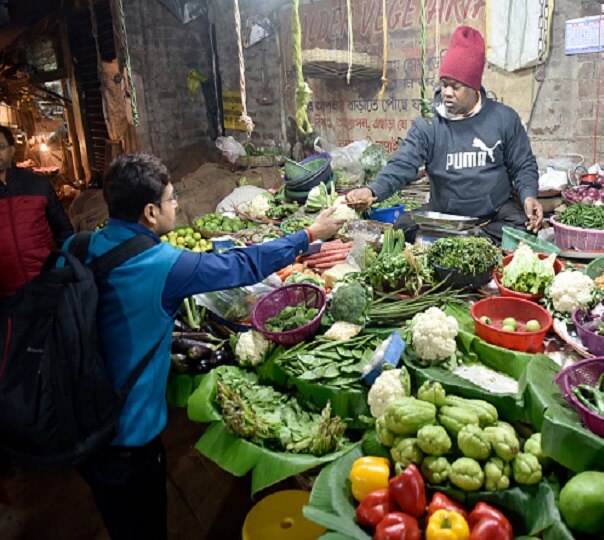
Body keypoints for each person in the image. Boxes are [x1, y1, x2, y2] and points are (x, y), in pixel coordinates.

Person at [69, 153, 344, 539]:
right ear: (150, 212)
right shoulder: (161, 263)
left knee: (117, 520)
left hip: (79, 420)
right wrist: (310, 234)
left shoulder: (79, 246)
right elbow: (241, 265)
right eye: (171, 198)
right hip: (128, 437)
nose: (176, 204)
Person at [345, 25, 543, 244]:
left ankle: (465, 240)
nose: (447, 92)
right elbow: (403, 164)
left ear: (474, 86)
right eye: (444, 84)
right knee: (402, 227)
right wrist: (372, 191)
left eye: (455, 86)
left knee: (526, 228)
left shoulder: (503, 118)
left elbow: (523, 164)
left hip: (492, 215)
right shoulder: (429, 122)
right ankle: (469, 241)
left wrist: (528, 195)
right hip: (444, 216)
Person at [0, 125, 74, 299]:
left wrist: (62, 269)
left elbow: (63, 231)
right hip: (5, 298)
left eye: (1, 147)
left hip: (45, 284)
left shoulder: (36, 185)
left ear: (12, 150)